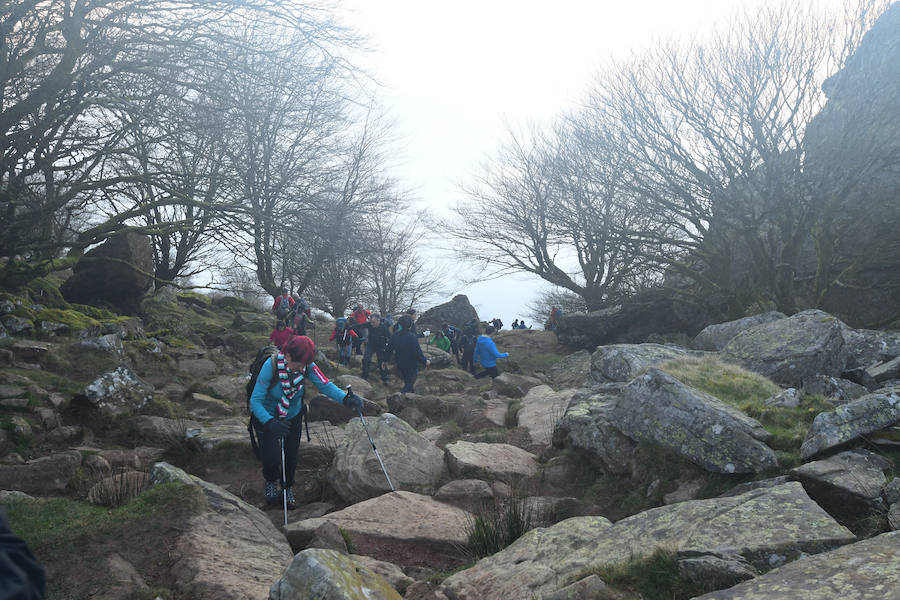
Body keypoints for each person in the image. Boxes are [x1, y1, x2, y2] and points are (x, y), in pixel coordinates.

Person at [249, 335, 362, 508]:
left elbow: (325, 385)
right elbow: (255, 400)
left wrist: (345, 399)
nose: (301, 368)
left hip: (293, 415)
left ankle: (287, 488)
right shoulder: (269, 367)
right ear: (287, 356)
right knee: (271, 458)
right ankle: (270, 481)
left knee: (291, 456)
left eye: (304, 365)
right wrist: (270, 422)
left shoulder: (307, 365)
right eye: (298, 364)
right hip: (268, 417)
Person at [383, 314, 430, 393]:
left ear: (400, 324)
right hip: (411, 364)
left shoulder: (395, 335)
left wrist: (384, 360)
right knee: (410, 383)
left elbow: (389, 349)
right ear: (411, 325)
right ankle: (401, 397)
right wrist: (425, 361)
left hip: (400, 363)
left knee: (407, 381)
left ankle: (408, 398)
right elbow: (417, 352)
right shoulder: (412, 337)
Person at [358, 313, 391, 383]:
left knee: (381, 361)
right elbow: (360, 326)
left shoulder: (384, 328)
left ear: (378, 321)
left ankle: (385, 377)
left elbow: (390, 338)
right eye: (371, 322)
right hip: (371, 344)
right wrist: (349, 327)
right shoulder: (369, 325)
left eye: (374, 322)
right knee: (366, 359)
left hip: (381, 346)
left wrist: (390, 348)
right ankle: (365, 375)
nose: (372, 324)